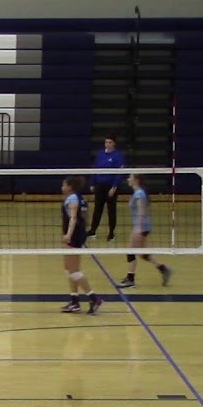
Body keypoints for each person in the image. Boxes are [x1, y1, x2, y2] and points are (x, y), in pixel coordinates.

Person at [118, 174, 172, 288]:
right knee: (143, 254)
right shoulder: (138, 192)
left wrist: (138, 228)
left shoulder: (139, 193)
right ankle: (163, 269)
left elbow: (142, 212)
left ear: (136, 180)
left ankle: (130, 279)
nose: (128, 179)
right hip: (141, 226)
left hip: (141, 226)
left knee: (130, 251)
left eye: (130, 178)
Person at [59, 176, 103, 314]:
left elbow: (73, 218)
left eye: (64, 185)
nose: (62, 187)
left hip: (74, 236)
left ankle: (93, 298)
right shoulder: (80, 198)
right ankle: (74, 301)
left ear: (70, 187)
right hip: (78, 234)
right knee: (70, 269)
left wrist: (68, 235)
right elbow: (84, 217)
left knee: (73, 270)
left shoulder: (72, 198)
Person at [88, 134, 124, 241]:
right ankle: (92, 231)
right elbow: (95, 168)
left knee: (111, 210)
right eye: (106, 142)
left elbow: (119, 173)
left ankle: (111, 233)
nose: (107, 144)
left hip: (110, 187)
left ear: (114, 143)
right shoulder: (100, 154)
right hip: (100, 186)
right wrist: (92, 183)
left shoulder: (118, 156)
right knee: (97, 209)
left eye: (110, 142)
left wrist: (114, 187)